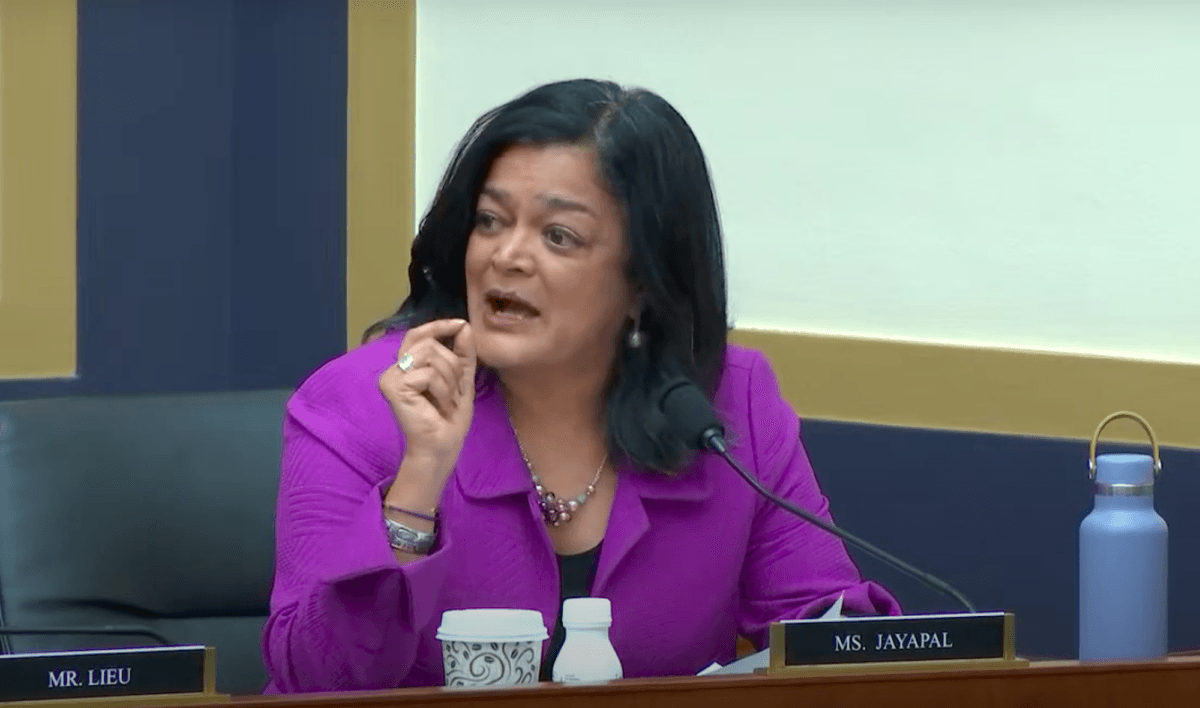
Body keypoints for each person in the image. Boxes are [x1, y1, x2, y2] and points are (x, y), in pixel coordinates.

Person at [262, 79, 899, 693]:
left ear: (644, 281)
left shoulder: (726, 407)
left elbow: (825, 641)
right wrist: (418, 484)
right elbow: (311, 682)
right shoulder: (359, 403)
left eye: (558, 236)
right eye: (490, 221)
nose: (507, 256)